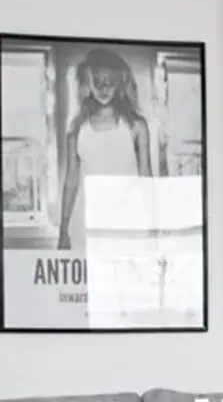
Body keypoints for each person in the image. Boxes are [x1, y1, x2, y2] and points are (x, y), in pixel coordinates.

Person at [57, 47, 152, 251]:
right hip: (85, 225)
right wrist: (63, 230)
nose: (104, 87)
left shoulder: (136, 126)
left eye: (110, 81)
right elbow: (71, 182)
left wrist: (152, 224)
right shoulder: (77, 130)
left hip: (126, 224)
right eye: (97, 81)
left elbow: (146, 179)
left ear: (120, 83)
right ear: (87, 82)